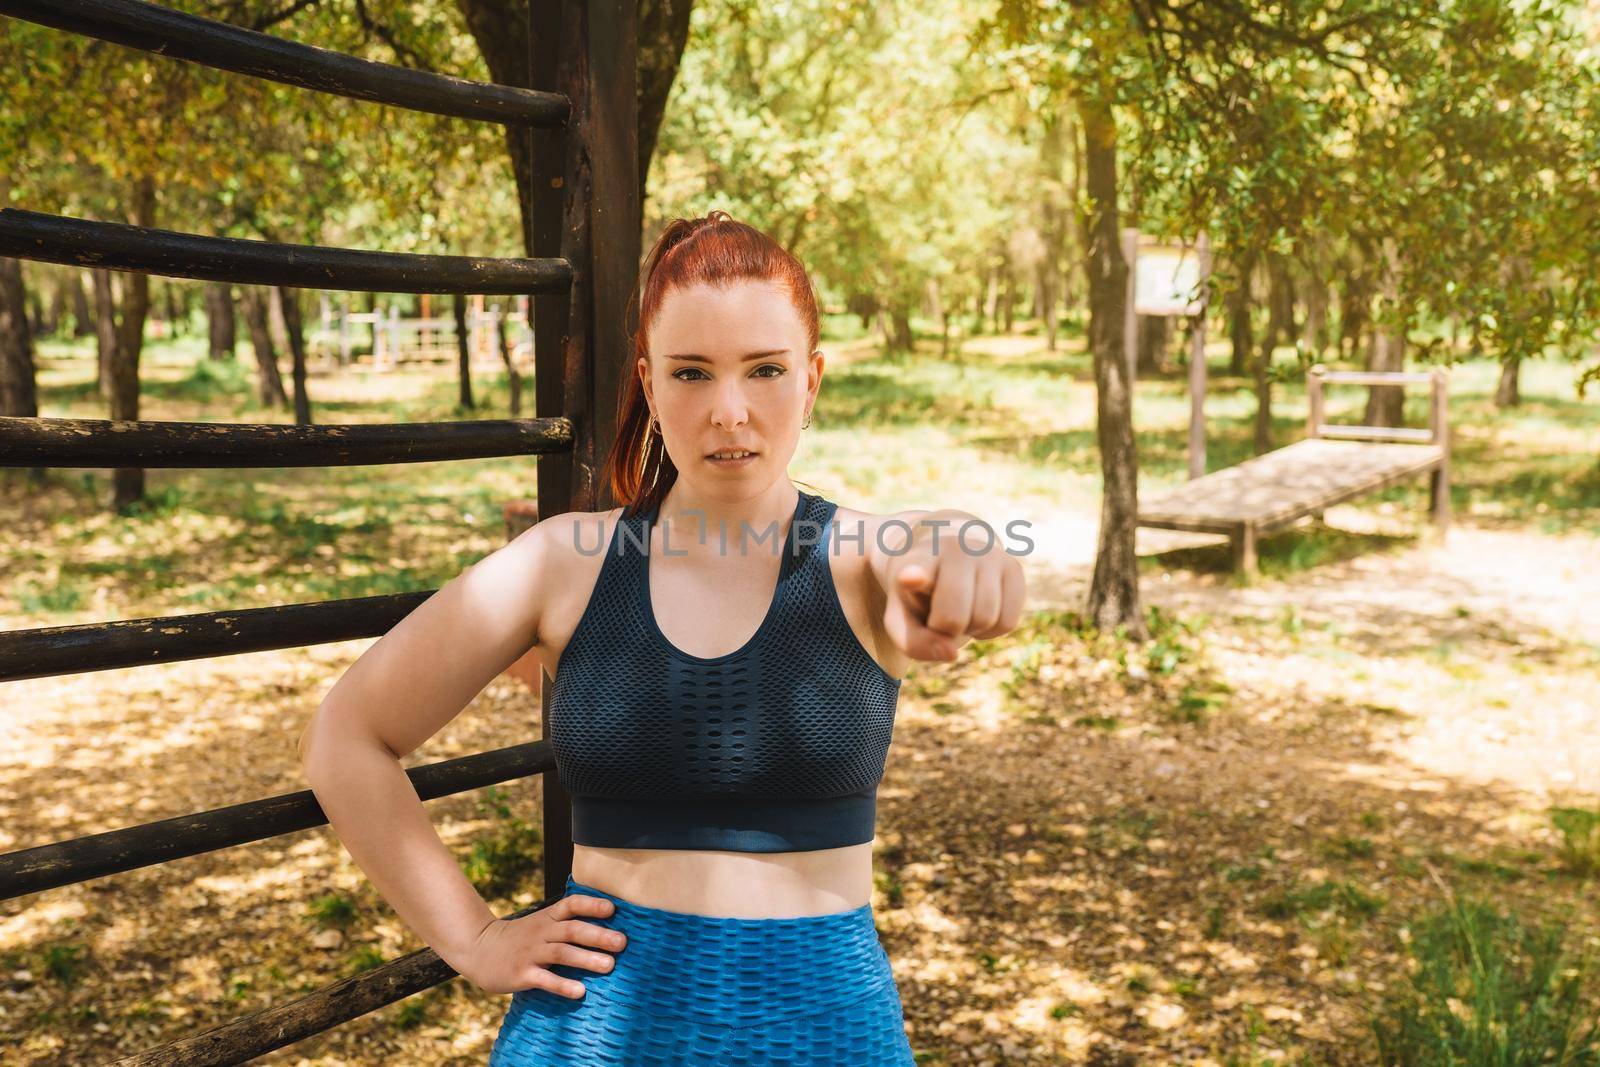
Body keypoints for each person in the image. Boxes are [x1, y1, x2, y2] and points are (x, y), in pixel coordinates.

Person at [299, 211, 1026, 1064]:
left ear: (813, 380)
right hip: (593, 1033)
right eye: (691, 372)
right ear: (648, 381)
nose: (729, 411)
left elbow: (938, 540)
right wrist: (477, 937)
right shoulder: (561, 565)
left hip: (825, 1029)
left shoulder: (864, 561)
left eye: (765, 370)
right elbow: (346, 737)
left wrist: (967, 537)